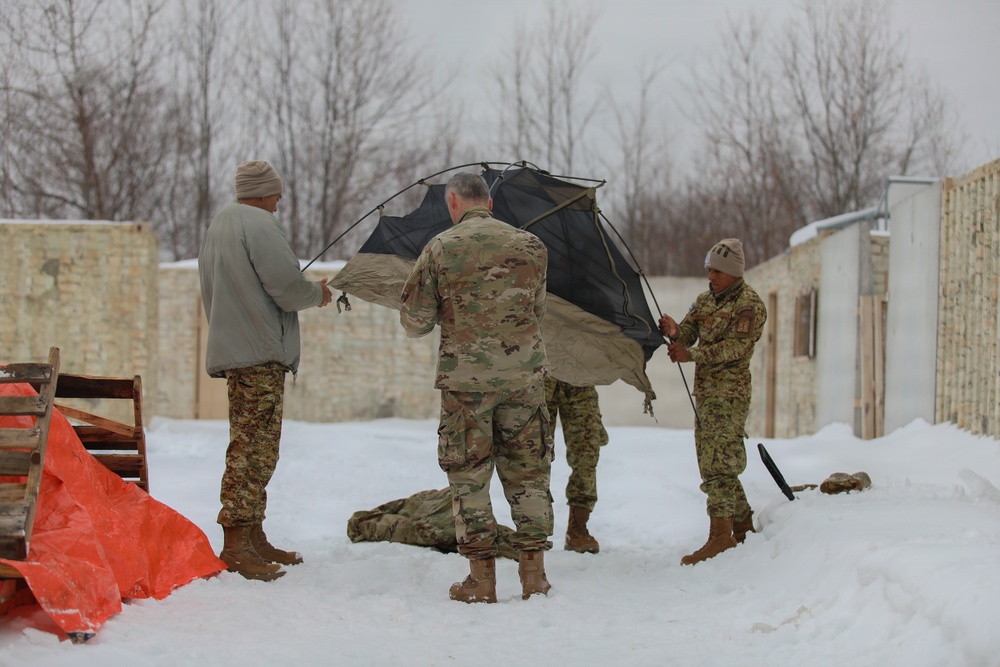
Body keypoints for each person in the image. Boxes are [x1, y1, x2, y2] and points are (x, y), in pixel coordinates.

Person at [399, 171, 554, 604]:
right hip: (524, 380)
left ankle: (481, 580)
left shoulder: (440, 248)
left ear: (453, 202)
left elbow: (414, 323)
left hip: (466, 386)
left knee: (469, 477)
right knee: (529, 475)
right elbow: (537, 309)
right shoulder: (532, 246)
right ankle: (534, 576)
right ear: (488, 202)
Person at [198, 159, 333, 581]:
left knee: (254, 446)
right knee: (252, 451)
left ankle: (253, 536)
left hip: (240, 350)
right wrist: (319, 293)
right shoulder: (258, 223)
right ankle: (237, 545)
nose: (279, 200)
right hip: (258, 354)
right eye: (275, 191)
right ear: (260, 191)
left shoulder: (221, 224)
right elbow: (287, 289)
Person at [658, 238, 766, 566]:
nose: (711, 275)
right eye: (709, 269)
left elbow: (736, 349)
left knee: (718, 464)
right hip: (706, 394)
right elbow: (689, 332)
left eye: (718, 270)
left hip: (729, 396)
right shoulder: (705, 300)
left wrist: (691, 355)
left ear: (734, 272)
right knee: (713, 461)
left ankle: (720, 536)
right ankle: (742, 524)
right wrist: (677, 332)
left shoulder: (749, 305)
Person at [544, 377, 608, 553]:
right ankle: (533, 531)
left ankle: (578, 528)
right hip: (539, 374)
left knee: (587, 450)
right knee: (533, 454)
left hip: (579, 376)